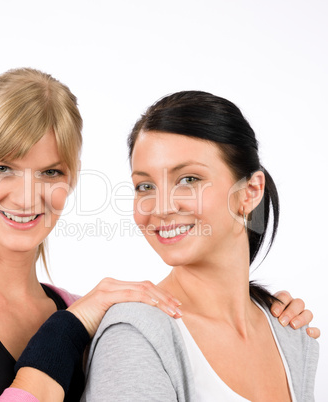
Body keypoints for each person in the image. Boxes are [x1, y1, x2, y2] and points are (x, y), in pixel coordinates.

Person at [0, 70, 316, 402]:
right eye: (2, 167)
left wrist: (269, 316)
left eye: (50, 173)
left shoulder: (91, 315)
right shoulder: (86, 321)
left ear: (72, 177)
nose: (27, 196)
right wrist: (66, 331)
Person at [82, 91, 320, 401]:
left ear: (250, 192)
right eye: (145, 186)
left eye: (189, 179)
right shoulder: (135, 335)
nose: (162, 207)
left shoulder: (290, 330)